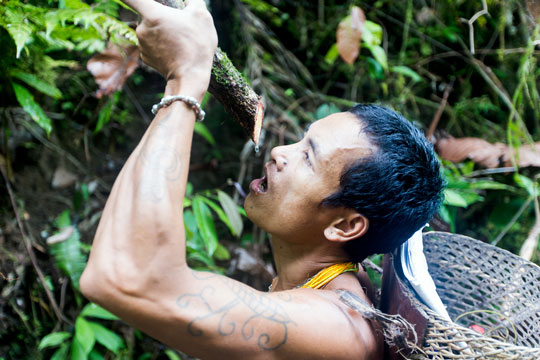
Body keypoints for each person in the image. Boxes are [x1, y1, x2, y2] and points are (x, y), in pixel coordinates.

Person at [80, 0, 444, 359]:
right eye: (301, 139)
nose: (279, 151)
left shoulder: (338, 327)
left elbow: (128, 277)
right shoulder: (322, 282)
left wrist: (186, 78)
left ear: (346, 225)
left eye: (308, 157)